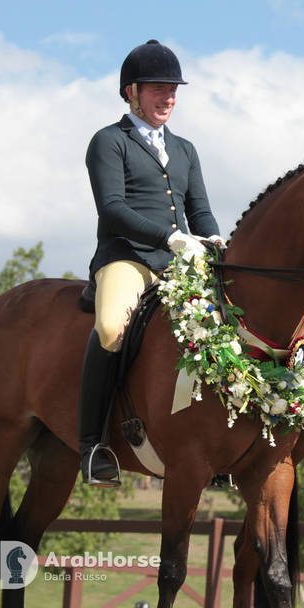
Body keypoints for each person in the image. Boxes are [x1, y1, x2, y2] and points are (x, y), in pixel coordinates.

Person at [80, 39, 222, 486]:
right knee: (109, 328)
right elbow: (113, 209)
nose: (168, 98)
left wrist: (213, 236)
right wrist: (170, 237)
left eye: (173, 90)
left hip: (181, 261)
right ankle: (92, 443)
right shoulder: (108, 141)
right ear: (131, 92)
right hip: (127, 257)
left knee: (230, 326)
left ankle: (225, 445)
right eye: (158, 89)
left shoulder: (186, 149)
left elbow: (198, 209)